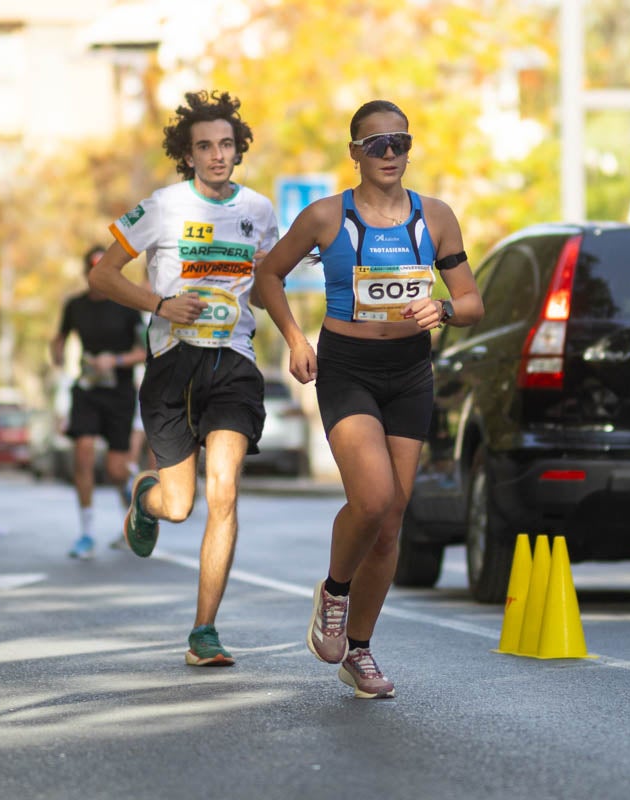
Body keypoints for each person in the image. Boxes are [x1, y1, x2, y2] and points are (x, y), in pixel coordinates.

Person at [254, 100, 483, 699]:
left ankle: (359, 649)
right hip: (347, 367)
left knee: (392, 522)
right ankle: (333, 589)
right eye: (375, 143)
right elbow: (266, 277)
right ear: (354, 151)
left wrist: (446, 309)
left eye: (398, 143)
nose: (388, 154)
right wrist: (296, 339)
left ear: (410, 149)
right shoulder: (326, 217)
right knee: (374, 498)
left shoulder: (435, 218)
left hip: (410, 370)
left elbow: (472, 301)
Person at [89, 89, 278, 667]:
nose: (217, 155)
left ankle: (204, 631)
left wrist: (298, 337)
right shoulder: (163, 208)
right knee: (181, 505)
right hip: (172, 366)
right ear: (188, 154)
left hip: (234, 363)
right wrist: (159, 303)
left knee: (224, 491)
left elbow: (269, 284)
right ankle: (147, 501)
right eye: (205, 146)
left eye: (226, 144)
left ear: (237, 149)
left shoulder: (260, 212)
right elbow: (102, 275)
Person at [50, 245, 147, 559]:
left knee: (117, 470)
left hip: (118, 393)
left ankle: (135, 512)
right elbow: (60, 338)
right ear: (87, 274)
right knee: (83, 451)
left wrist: (115, 360)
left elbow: (145, 351)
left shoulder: (127, 306)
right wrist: (57, 352)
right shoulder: (75, 306)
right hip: (87, 389)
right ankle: (87, 532)